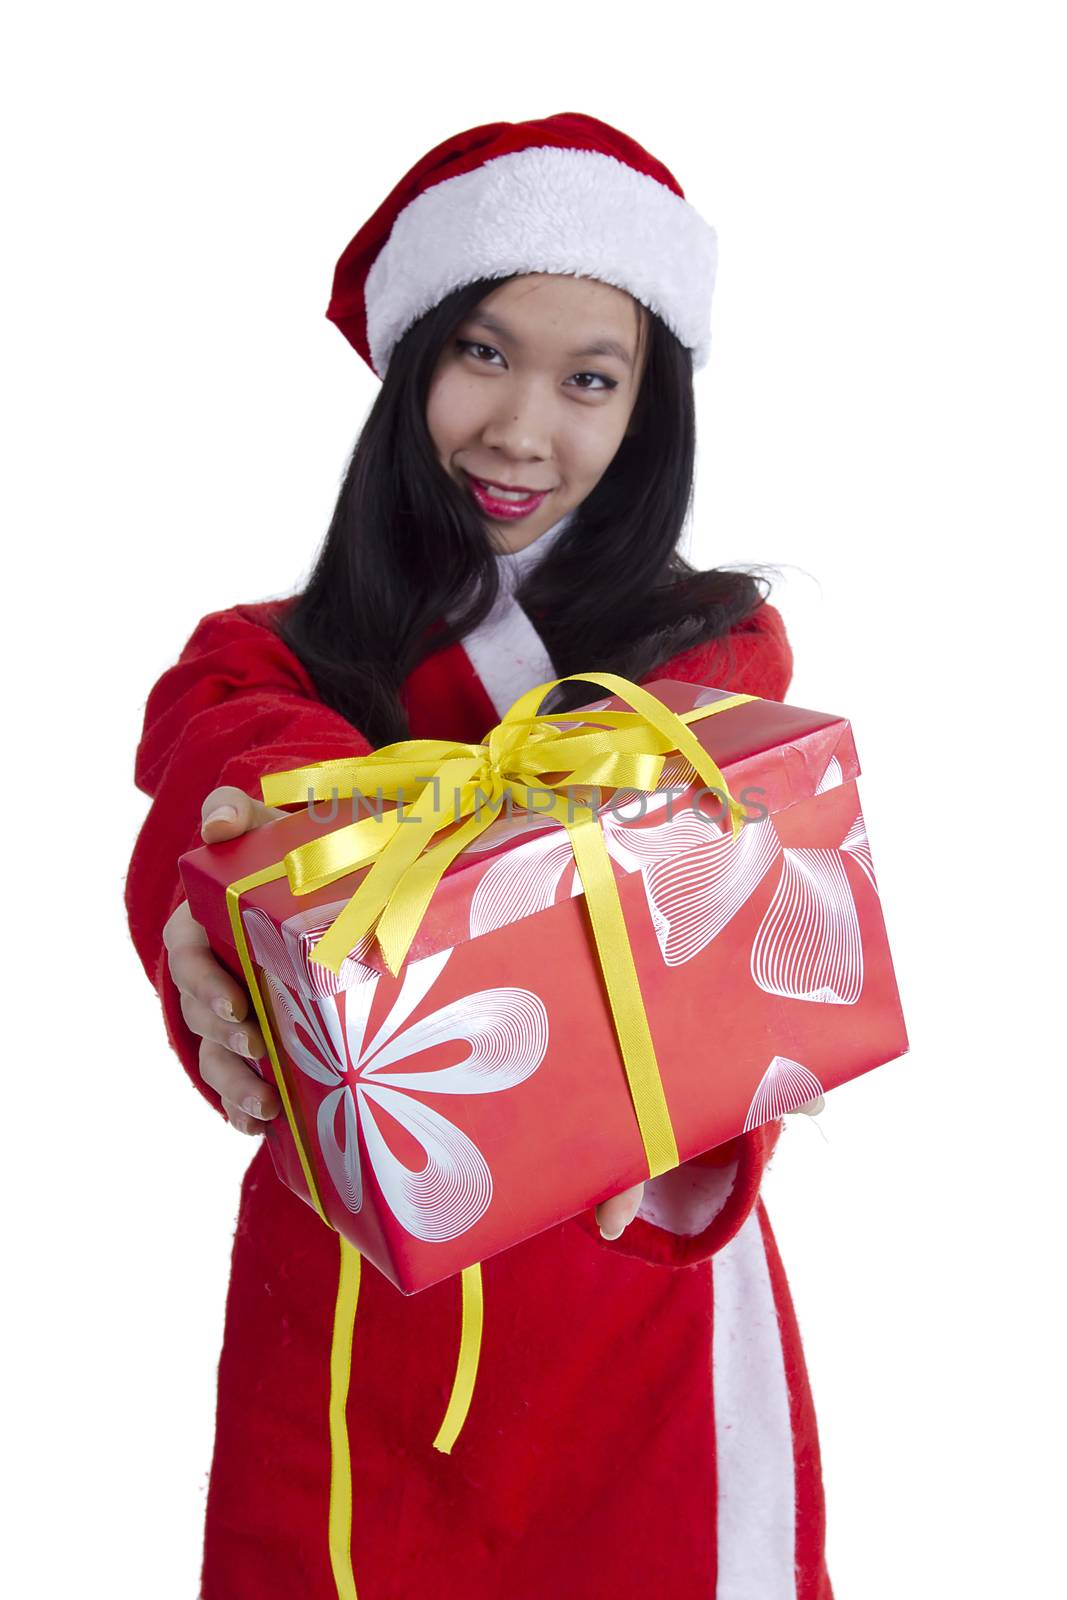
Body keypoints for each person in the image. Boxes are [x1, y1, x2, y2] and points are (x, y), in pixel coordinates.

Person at [125, 111, 833, 1600]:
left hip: (638, 1301)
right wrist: (258, 886)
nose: (523, 429)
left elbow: (719, 947)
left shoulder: (713, 656)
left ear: (649, 411)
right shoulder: (259, 668)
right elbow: (227, 778)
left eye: (591, 379)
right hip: (358, 1305)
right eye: (483, 355)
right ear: (410, 367)